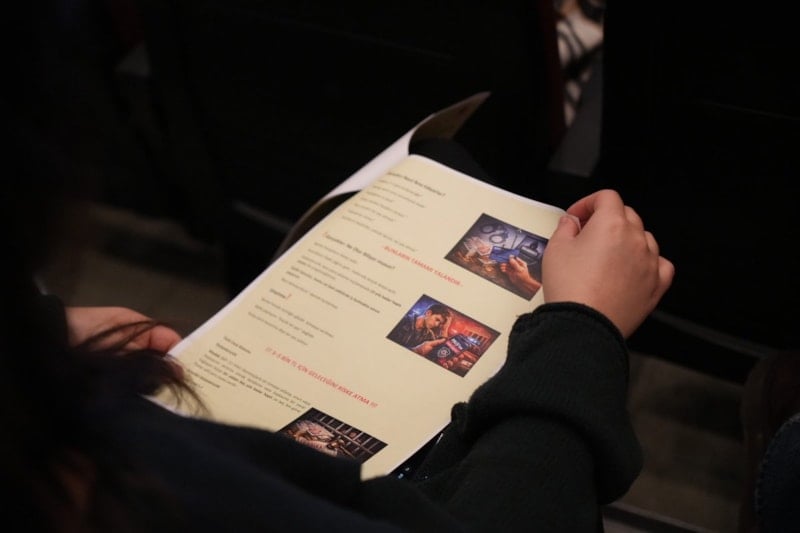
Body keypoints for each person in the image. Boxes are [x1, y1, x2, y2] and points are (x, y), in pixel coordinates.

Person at [386, 303, 453, 357]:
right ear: (428, 313)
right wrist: (416, 351)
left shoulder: (429, 335)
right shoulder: (402, 321)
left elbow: (438, 353)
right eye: (437, 319)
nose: (436, 324)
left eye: (440, 323)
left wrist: (445, 329)